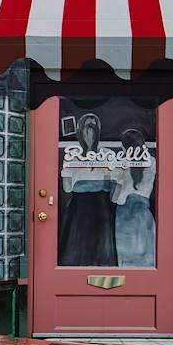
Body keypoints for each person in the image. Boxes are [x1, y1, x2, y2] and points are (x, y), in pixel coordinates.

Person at [57, 112, 118, 267]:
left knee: (100, 248)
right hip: (80, 206)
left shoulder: (106, 154)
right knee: (78, 246)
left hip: (99, 205)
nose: (90, 131)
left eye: (93, 127)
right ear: (80, 131)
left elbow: (110, 185)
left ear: (98, 131)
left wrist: (82, 183)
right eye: (87, 127)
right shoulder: (72, 155)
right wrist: (95, 183)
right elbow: (67, 187)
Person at [111, 128, 156, 268]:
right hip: (143, 213)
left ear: (125, 147)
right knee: (145, 257)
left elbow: (114, 197)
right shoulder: (152, 162)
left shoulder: (121, 165)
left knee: (125, 259)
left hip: (124, 214)